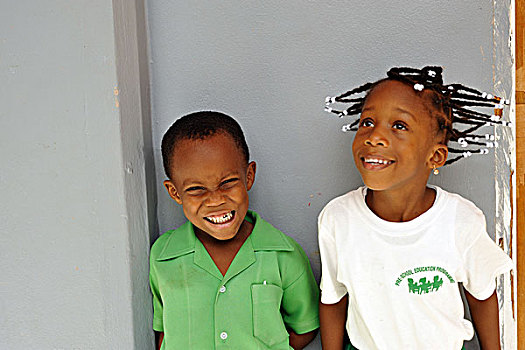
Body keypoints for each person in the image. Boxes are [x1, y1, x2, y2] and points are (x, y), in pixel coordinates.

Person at [319, 66, 513, 350]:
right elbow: (333, 299)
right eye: (367, 122)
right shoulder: (337, 219)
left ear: (435, 156)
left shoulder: (460, 220)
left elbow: (482, 294)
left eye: (399, 126)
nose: (374, 137)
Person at [149, 111, 319, 350]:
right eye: (197, 189)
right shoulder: (163, 256)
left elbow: (306, 327)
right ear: (175, 193)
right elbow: (164, 333)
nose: (216, 200)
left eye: (227, 183)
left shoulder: (284, 255)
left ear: (248, 177)